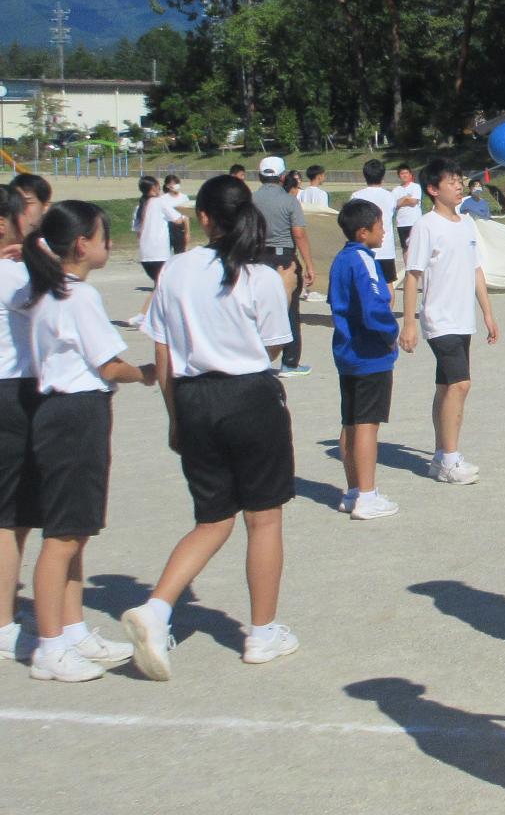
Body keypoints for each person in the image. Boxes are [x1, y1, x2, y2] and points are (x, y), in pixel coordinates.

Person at [121, 176, 299, 679]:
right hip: (249, 396)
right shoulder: (259, 275)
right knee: (263, 518)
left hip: (194, 397)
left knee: (211, 519)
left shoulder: (176, 270)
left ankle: (157, 608)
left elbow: (161, 349)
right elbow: (272, 350)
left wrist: (176, 417)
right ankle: (262, 632)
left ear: (203, 218)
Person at [22, 200, 158, 681]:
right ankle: (49, 645)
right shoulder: (76, 296)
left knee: (77, 531)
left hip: (70, 410)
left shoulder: (51, 288)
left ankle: (73, 628)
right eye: (104, 236)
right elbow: (108, 364)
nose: (109, 242)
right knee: (61, 537)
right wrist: (150, 372)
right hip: (73, 413)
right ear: (82, 244)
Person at [400, 158, 497, 485]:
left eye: (460, 181)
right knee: (460, 384)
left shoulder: (466, 223)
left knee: (445, 387)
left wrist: (487, 312)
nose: (459, 186)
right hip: (438, 318)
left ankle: (441, 455)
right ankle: (450, 461)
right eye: (451, 181)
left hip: (462, 318)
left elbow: (476, 270)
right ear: (433, 189)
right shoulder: (426, 226)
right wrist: (409, 323)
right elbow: (413, 277)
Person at [328, 198, 400, 521]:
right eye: (380, 226)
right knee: (368, 425)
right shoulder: (363, 260)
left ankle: (354, 490)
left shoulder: (340, 261)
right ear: (362, 232)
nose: (384, 232)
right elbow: (373, 307)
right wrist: (390, 333)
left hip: (346, 354)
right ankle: (368, 496)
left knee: (350, 423)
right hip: (370, 355)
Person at [0, 187, 39, 661]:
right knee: (10, 515)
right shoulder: (12, 275)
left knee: (19, 512)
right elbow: (62, 289)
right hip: (12, 390)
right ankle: (4, 621)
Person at [251, 155, 314, 377]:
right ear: (283, 176)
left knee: (258, 310)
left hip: (257, 257)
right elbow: (298, 233)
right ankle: (289, 361)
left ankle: (259, 357)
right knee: (289, 309)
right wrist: (308, 264)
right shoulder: (289, 201)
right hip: (283, 258)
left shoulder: (251, 199)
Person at [350, 159, 401, 285]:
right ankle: (387, 306)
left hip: (363, 246)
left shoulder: (356, 196)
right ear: (382, 175)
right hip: (385, 247)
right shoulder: (390, 196)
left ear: (365, 175)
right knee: (387, 284)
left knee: (364, 284)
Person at [133, 173, 172, 283]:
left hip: (145, 254)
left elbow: (138, 233)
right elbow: (177, 219)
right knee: (162, 284)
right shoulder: (160, 202)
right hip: (160, 253)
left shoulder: (139, 207)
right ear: (154, 187)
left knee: (157, 283)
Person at [391, 163, 422, 256]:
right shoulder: (396, 190)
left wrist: (401, 201)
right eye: (402, 173)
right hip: (401, 223)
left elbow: (413, 202)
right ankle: (407, 269)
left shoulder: (416, 187)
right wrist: (406, 198)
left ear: (410, 174)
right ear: (399, 175)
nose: (404, 175)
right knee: (405, 248)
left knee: (417, 247)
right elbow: (395, 205)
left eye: (406, 173)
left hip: (414, 222)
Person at [163, 174, 192, 254]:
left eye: (177, 183)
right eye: (173, 183)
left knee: (180, 253)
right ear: (168, 186)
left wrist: (187, 232)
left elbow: (186, 216)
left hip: (180, 227)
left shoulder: (184, 197)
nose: (176, 186)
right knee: (166, 253)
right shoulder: (163, 199)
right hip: (167, 227)